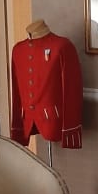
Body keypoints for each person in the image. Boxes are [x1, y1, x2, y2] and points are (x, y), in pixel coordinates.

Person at [10, 19, 83, 149]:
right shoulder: (18, 50)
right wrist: (17, 128)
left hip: (53, 119)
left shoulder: (62, 46)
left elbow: (72, 89)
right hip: (27, 119)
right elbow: (16, 92)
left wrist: (70, 127)